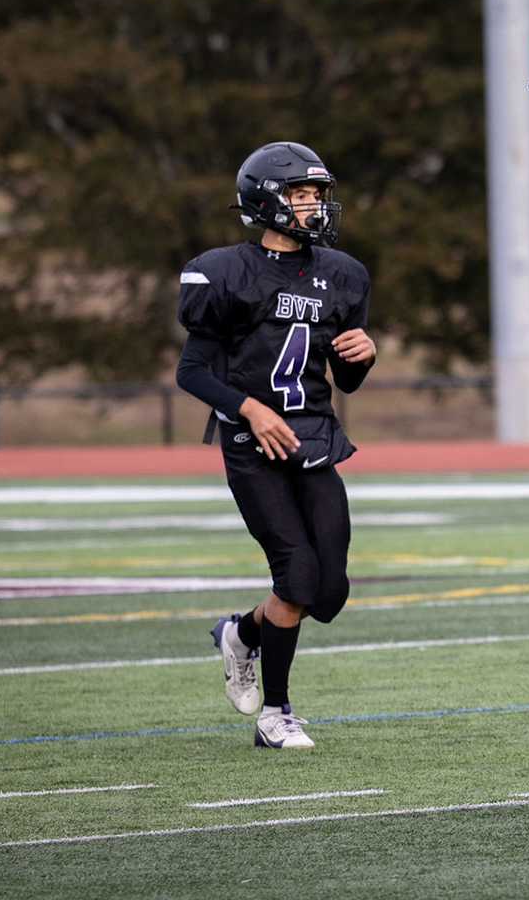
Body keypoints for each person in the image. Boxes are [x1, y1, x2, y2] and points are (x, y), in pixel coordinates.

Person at [175, 141, 377, 750]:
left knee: (329, 592)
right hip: (250, 441)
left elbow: (346, 380)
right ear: (266, 200)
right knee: (296, 574)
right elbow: (191, 371)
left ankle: (240, 634)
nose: (315, 205)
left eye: (318, 193)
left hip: (313, 436)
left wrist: (363, 357)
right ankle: (276, 714)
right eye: (301, 194)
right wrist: (248, 408)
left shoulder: (343, 275)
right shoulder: (225, 271)